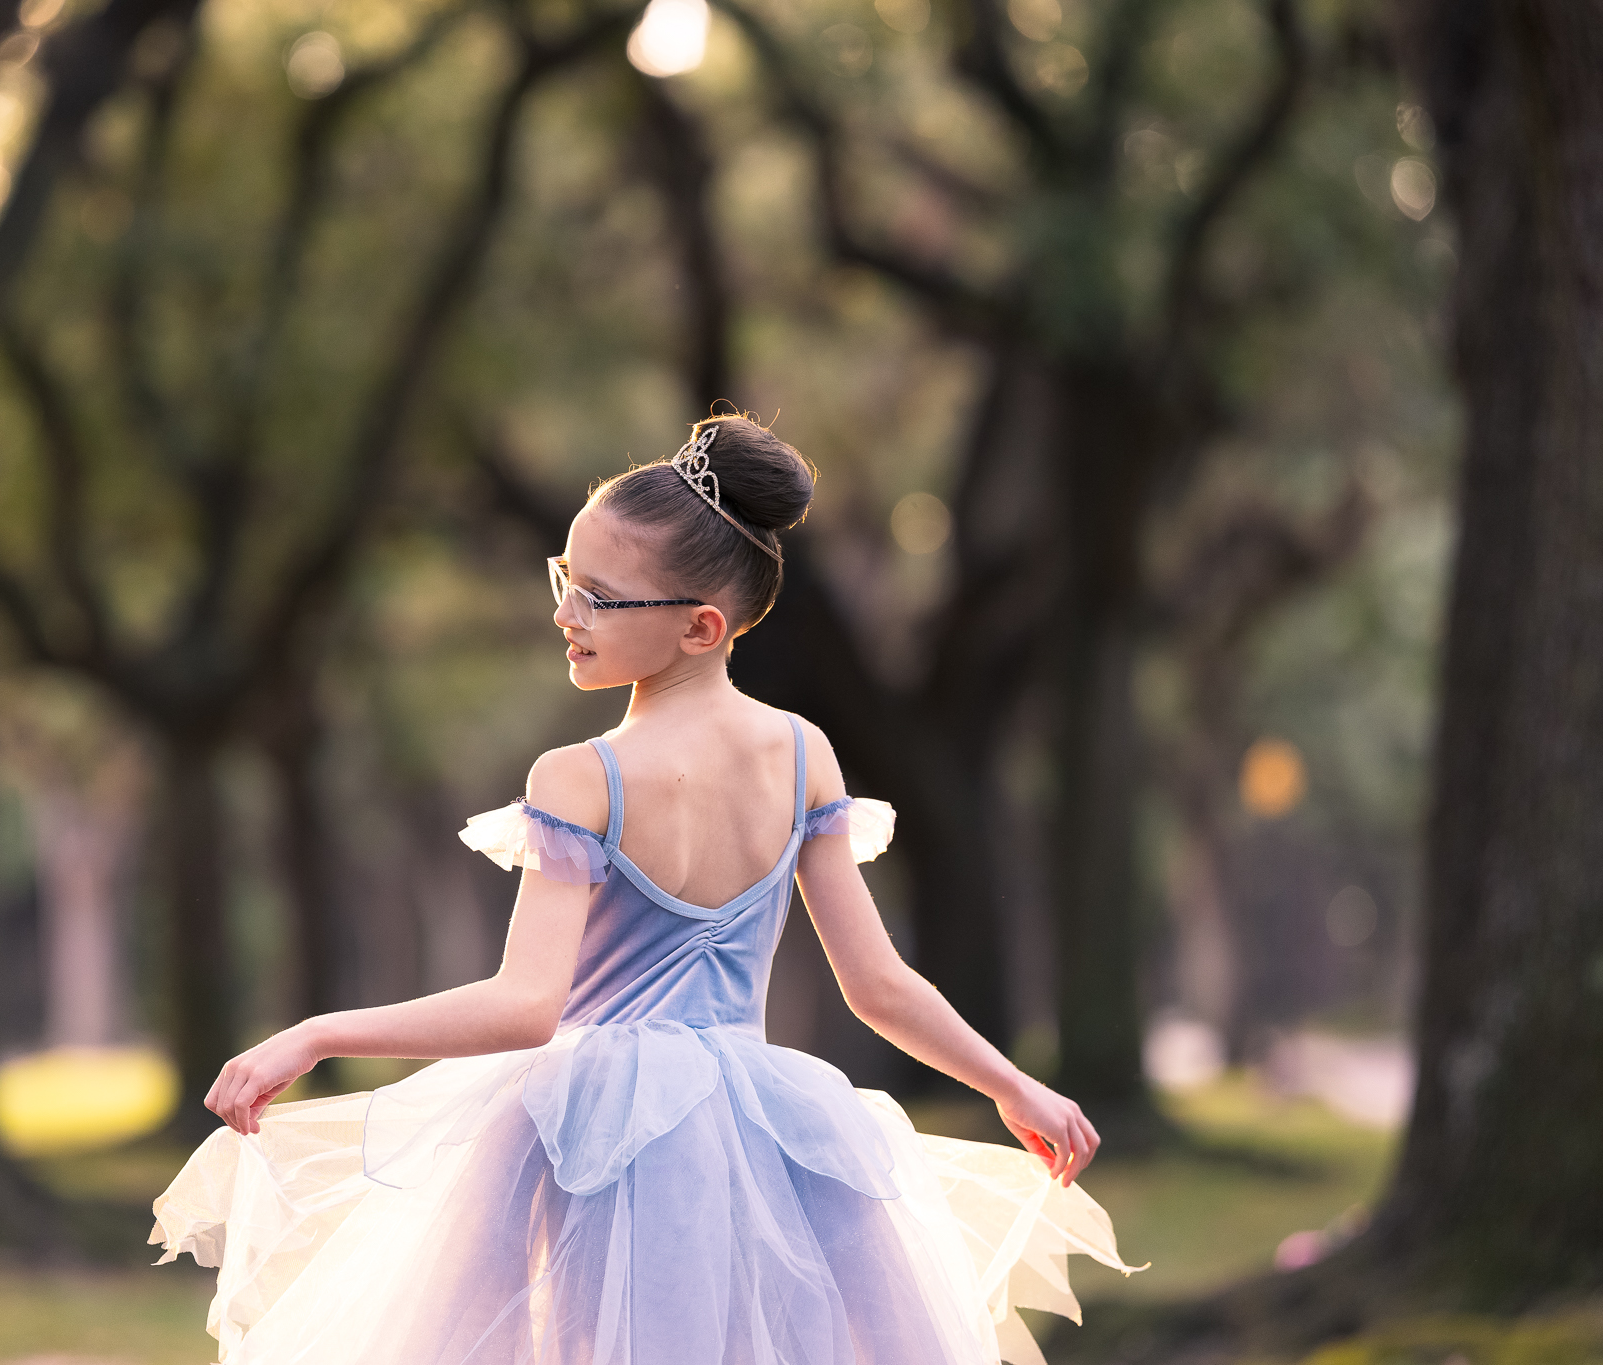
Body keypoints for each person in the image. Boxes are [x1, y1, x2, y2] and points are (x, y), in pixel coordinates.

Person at [150, 414, 1141, 1365]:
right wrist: (1014, 1086)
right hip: (767, 1133)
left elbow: (525, 1008)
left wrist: (319, 1032)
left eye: (596, 597)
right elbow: (877, 986)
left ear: (700, 626)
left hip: (595, 1141)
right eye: (564, 581)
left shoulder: (580, 778)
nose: (563, 614)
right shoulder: (803, 758)